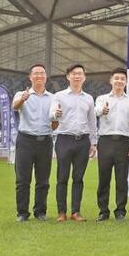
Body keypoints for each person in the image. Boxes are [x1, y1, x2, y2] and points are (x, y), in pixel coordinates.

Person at [50, 64, 98, 222]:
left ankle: (75, 212)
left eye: (80, 74)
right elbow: (51, 114)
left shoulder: (89, 98)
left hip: (83, 141)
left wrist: (93, 143)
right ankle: (61, 212)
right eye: (74, 73)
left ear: (84, 77)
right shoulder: (59, 96)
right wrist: (55, 114)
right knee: (62, 177)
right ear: (68, 76)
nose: (77, 76)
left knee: (78, 178)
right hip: (64, 139)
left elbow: (92, 122)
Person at [94, 68, 129, 222]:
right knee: (103, 178)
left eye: (122, 79)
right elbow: (96, 111)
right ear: (111, 80)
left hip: (123, 141)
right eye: (116, 78)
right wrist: (102, 110)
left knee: (122, 179)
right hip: (105, 140)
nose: (119, 81)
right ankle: (103, 211)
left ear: (126, 82)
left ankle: (120, 211)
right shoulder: (102, 99)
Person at [12, 63, 55, 222]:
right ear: (30, 77)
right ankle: (22, 213)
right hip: (25, 140)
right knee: (23, 179)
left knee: (43, 180)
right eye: (36, 73)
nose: (39, 76)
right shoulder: (21, 94)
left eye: (42, 73)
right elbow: (14, 107)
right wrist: (23, 99)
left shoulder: (53, 98)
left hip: (45, 141)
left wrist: (57, 117)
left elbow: (54, 125)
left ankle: (40, 212)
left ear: (46, 77)